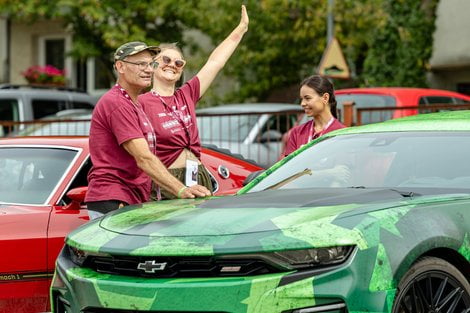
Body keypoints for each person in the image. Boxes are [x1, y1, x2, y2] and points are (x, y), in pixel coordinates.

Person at [86, 41, 211, 216]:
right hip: (115, 199)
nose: (148, 69)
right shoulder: (117, 103)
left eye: (150, 64)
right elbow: (144, 158)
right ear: (120, 66)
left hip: (132, 198)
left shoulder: (134, 103)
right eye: (140, 64)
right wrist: (181, 190)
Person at [139, 5, 249, 199]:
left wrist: (241, 29)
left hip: (197, 177)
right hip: (167, 182)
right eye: (166, 59)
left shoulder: (186, 94)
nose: (172, 65)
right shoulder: (142, 102)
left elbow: (215, 62)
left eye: (178, 62)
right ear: (153, 65)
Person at [283, 75, 346, 157]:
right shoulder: (297, 133)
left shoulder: (342, 134)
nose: (302, 104)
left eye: (307, 98)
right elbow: (288, 166)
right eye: (301, 99)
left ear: (325, 98)